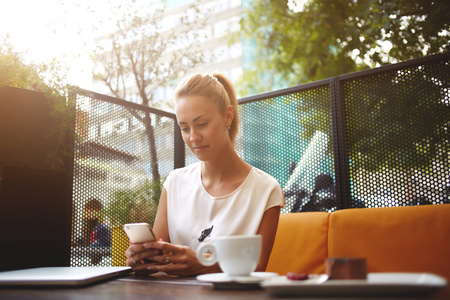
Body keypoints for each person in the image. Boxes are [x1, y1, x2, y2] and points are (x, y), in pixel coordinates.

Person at [125, 73, 285, 276]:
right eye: (184, 128)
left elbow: (258, 269)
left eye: (201, 124)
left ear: (228, 116)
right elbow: (158, 255)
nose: (193, 137)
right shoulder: (174, 182)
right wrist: (142, 258)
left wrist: (204, 263)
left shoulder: (266, 190)